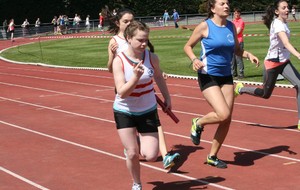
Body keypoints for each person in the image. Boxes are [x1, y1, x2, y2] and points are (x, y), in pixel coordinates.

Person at [183, 0, 259, 169]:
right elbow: (188, 46)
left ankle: (212, 156)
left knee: (227, 119)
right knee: (223, 113)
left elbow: (237, 50)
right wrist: (194, 59)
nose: (226, 6)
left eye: (227, 3)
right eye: (222, 3)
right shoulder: (205, 26)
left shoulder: (231, 27)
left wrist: (248, 55)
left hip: (226, 76)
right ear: (213, 8)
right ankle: (199, 122)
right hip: (208, 75)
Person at [107, 8, 180, 170]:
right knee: (132, 141)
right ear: (118, 23)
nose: (129, 23)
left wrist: (155, 74)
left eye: (131, 20)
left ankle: (159, 151)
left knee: (154, 125)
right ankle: (134, 148)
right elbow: (111, 69)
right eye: (126, 21)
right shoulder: (115, 41)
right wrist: (114, 60)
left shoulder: (141, 38)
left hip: (145, 89)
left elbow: (155, 70)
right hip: (126, 89)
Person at [235, 0, 300, 130]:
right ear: (277, 11)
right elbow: (286, 43)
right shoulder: (277, 24)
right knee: (265, 94)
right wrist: (298, 55)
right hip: (273, 64)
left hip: (284, 62)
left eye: (287, 7)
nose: (287, 10)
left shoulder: (283, 23)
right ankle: (241, 88)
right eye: (284, 8)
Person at [231, 7, 245, 79]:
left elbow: (237, 32)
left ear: (240, 14)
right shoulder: (233, 21)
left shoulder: (241, 21)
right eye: (235, 13)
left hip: (239, 41)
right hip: (232, 42)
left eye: (238, 13)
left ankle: (241, 73)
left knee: (238, 58)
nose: (236, 14)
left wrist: (229, 34)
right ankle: (233, 73)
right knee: (232, 59)